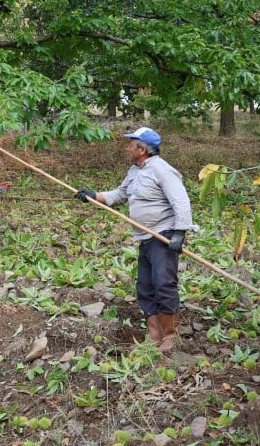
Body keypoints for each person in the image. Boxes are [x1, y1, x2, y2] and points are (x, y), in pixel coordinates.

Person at [75, 127, 193, 351]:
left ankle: (169, 336)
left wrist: (180, 232)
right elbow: (119, 195)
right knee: (145, 287)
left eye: (132, 144)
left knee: (163, 284)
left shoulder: (162, 170)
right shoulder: (134, 171)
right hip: (145, 238)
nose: (128, 148)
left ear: (143, 149)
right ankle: (154, 335)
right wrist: (94, 196)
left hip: (163, 235)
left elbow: (181, 201)